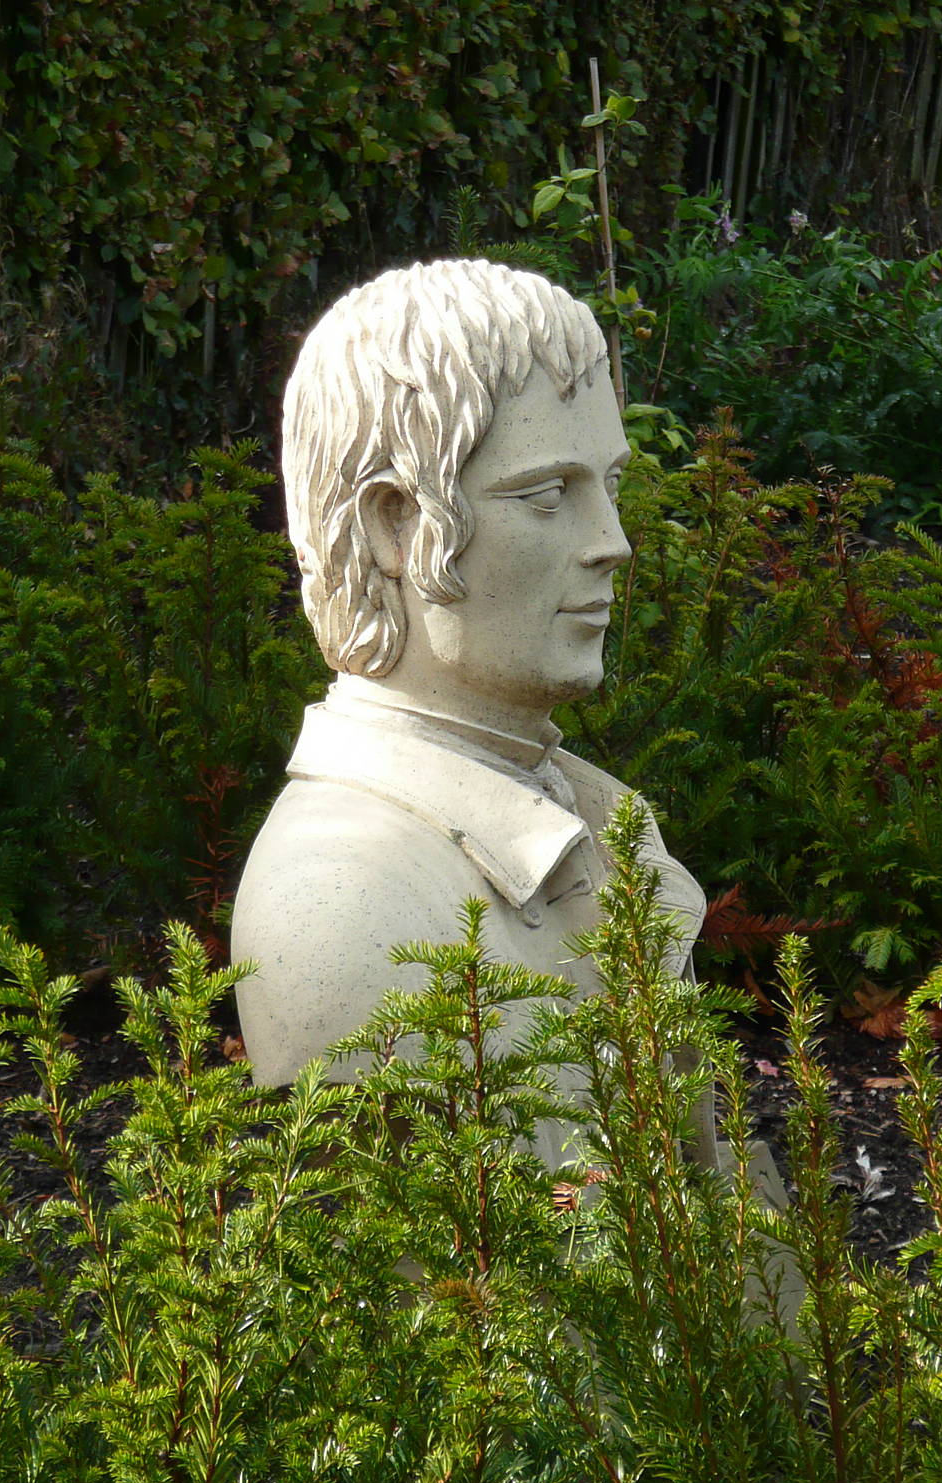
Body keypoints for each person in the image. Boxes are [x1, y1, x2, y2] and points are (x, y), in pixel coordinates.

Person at [231, 259, 710, 1169]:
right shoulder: (341, 899)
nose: (613, 542)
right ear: (392, 526)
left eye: (609, 484)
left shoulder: (605, 823)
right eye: (546, 494)